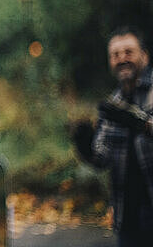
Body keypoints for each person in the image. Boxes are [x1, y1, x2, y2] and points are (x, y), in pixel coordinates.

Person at [74, 26, 153, 247]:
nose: (122, 59)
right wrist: (85, 145)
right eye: (115, 54)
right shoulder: (112, 104)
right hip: (128, 218)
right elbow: (102, 159)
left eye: (128, 52)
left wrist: (143, 124)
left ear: (144, 56)